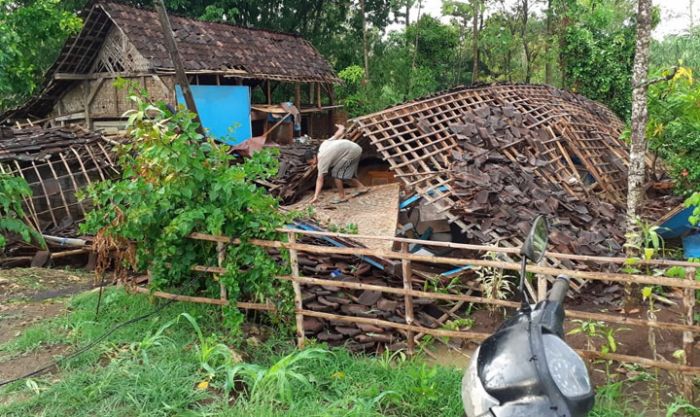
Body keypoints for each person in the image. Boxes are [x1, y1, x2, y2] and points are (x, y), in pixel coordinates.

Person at [305, 124, 367, 204]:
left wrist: (315, 197)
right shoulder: (323, 145)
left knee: (337, 174)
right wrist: (341, 128)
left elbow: (320, 180)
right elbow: (337, 135)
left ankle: (342, 197)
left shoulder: (322, 159)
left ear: (314, 156)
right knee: (343, 172)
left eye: (311, 162)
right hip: (354, 148)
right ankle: (362, 187)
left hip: (352, 152)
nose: (312, 165)